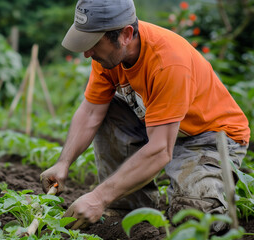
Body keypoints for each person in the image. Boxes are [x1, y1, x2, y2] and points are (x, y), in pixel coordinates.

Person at [40, 0, 250, 232]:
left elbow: (160, 150)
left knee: (194, 220)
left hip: (208, 136)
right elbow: (91, 112)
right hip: (160, 126)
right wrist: (63, 163)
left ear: (126, 35)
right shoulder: (109, 58)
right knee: (109, 105)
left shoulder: (168, 63)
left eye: (93, 44)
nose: (86, 53)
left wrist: (98, 197)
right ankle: (128, 207)